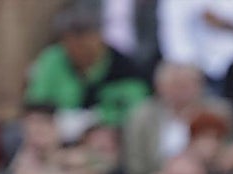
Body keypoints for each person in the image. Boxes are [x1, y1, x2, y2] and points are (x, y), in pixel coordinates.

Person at [24, 4, 152, 131]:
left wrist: (99, 119)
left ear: (100, 38)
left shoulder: (125, 69)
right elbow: (36, 100)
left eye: (85, 45)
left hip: (107, 133)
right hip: (56, 129)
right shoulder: (52, 59)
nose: (79, 51)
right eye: (72, 45)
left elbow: (136, 106)